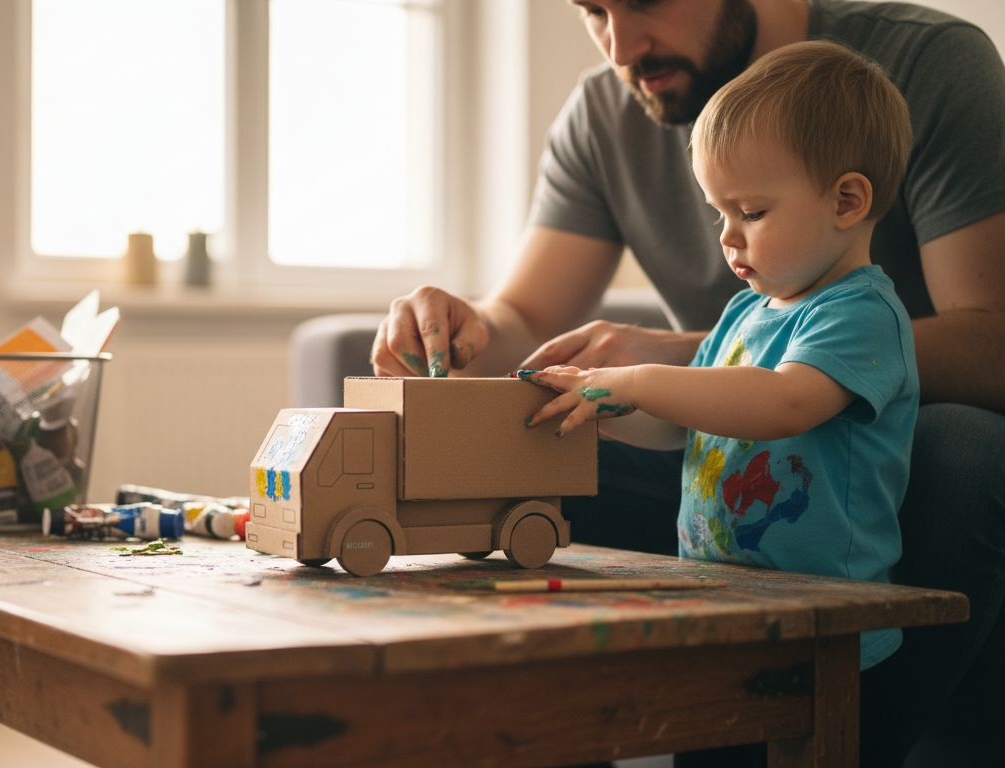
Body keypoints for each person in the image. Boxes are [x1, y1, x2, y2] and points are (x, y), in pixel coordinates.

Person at [372, 1, 1005, 765]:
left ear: (849, 200)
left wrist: (655, 371)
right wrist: (480, 338)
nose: (619, 46)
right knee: (544, 426)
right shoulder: (617, 123)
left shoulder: (917, 79)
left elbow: (802, 392)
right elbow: (539, 320)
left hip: (870, 466)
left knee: (966, 448)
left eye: (642, 0)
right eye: (593, 10)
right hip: (727, 516)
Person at [521, 38, 914, 764]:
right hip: (721, 603)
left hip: (823, 621)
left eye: (752, 211)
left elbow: (785, 404)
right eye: (717, 214)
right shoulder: (744, 314)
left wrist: (635, 378)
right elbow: (684, 424)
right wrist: (605, 414)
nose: (728, 238)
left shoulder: (860, 315)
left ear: (847, 200)